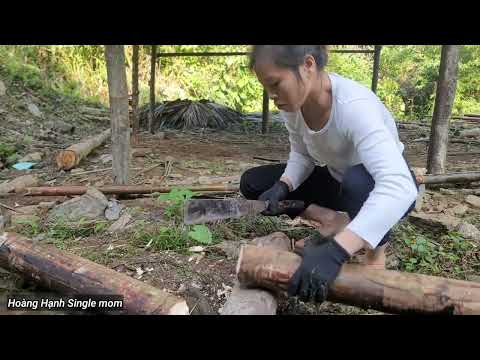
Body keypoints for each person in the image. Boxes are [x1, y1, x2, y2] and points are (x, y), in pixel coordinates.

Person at [239, 45, 419, 304]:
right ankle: (333, 220)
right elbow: (302, 155)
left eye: (275, 83)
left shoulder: (354, 105)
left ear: (307, 65)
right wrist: (284, 185)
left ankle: (375, 255)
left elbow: (399, 186)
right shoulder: (293, 106)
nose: (272, 95)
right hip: (338, 181)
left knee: (357, 180)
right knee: (254, 182)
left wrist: (336, 252)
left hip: (379, 189)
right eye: (267, 88)